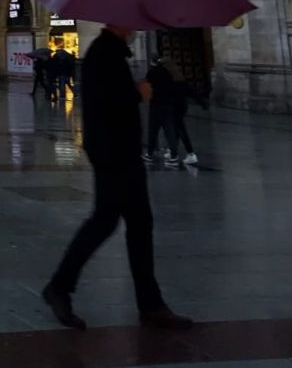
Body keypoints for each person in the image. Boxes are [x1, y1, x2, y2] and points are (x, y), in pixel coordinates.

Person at [42, 25, 192, 330]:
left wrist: (133, 92)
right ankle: (59, 286)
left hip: (119, 150)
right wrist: (137, 92)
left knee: (138, 223)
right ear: (120, 24)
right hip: (114, 152)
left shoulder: (109, 53)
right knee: (106, 221)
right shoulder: (103, 53)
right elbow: (105, 103)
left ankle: (151, 304)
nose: (137, 29)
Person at [161, 57, 205, 166]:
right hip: (181, 107)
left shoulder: (168, 79)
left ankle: (190, 154)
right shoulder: (179, 77)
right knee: (176, 130)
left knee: (180, 130)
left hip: (173, 107)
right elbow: (191, 91)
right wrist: (202, 102)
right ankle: (172, 150)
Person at [145, 55, 180, 166]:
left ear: (152, 62)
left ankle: (149, 155)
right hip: (168, 105)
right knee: (170, 131)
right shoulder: (167, 72)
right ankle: (174, 156)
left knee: (153, 132)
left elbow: (146, 90)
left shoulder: (151, 73)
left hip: (156, 106)